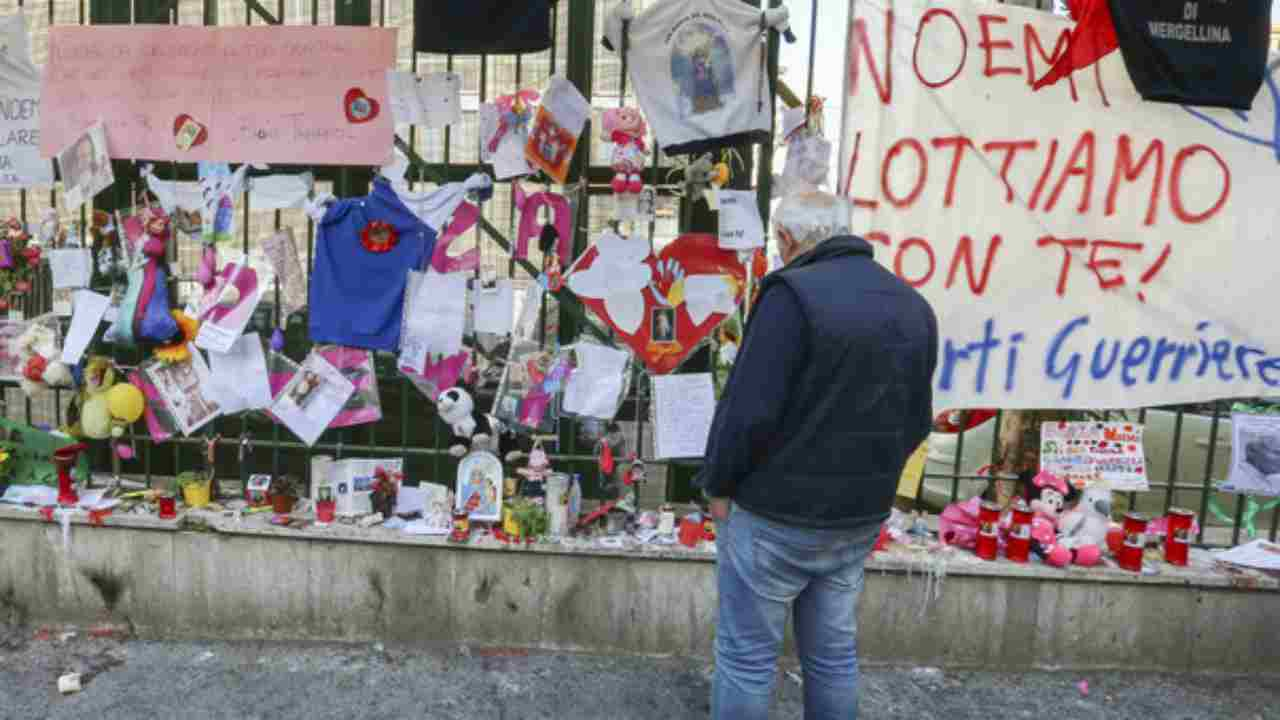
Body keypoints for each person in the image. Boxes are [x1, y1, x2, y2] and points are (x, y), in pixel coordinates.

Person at [697, 191, 938, 720]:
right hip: (857, 518)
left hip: (776, 515)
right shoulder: (912, 303)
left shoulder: (792, 295)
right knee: (832, 659)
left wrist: (718, 486)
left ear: (786, 239)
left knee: (747, 659)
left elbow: (746, 412)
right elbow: (918, 419)